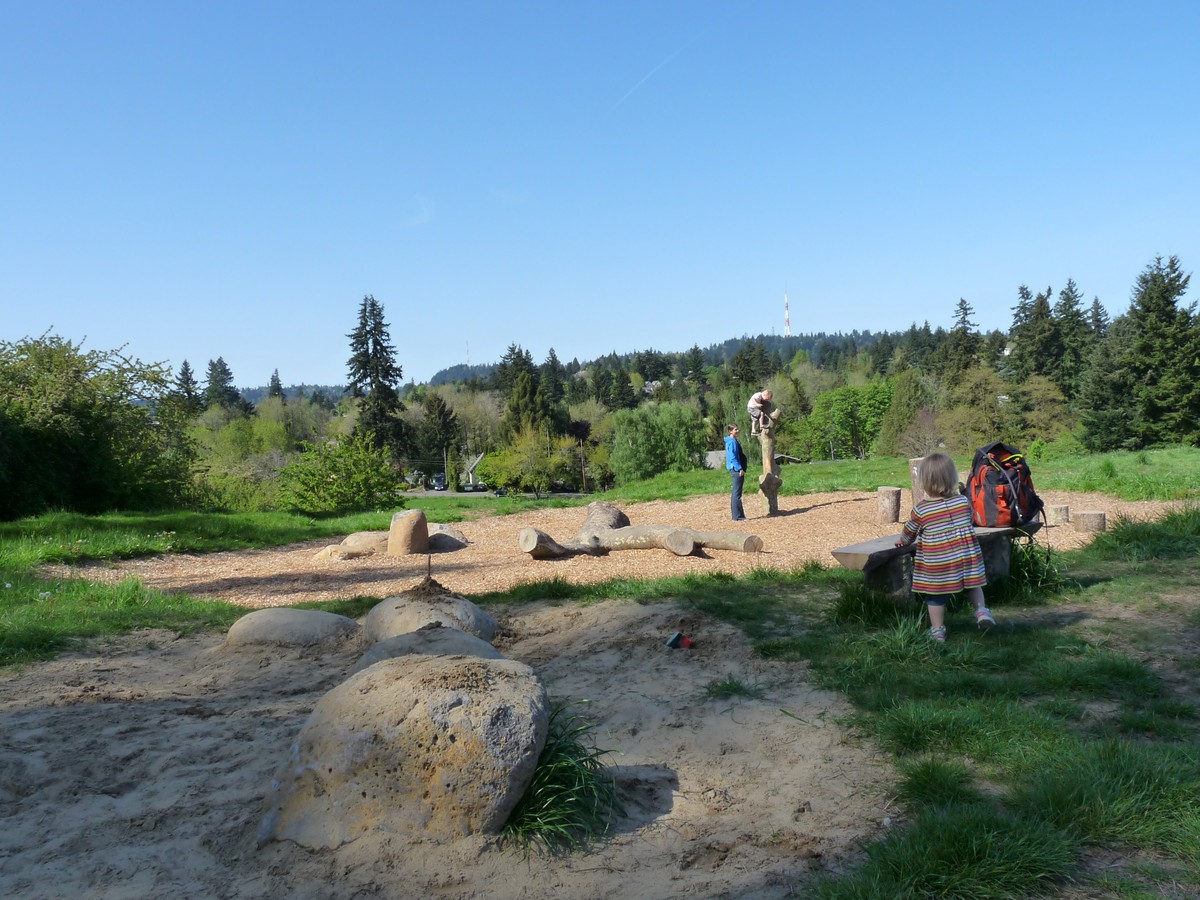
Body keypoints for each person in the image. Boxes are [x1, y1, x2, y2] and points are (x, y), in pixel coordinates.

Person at [896, 452, 994, 642]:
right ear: (952, 477)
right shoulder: (963, 502)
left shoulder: (922, 509)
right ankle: (982, 611)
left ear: (924, 481)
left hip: (939, 561)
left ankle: (938, 630)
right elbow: (968, 519)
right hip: (966, 557)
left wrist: (904, 541)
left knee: (935, 596)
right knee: (972, 584)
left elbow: (910, 532)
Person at [724, 424, 747, 521]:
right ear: (730, 431)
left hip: (735, 468)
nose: (737, 431)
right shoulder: (732, 442)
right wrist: (739, 468)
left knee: (737, 493)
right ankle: (737, 516)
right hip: (736, 469)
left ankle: (738, 516)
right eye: (735, 429)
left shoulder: (732, 441)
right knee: (736, 493)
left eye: (738, 429)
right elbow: (733, 457)